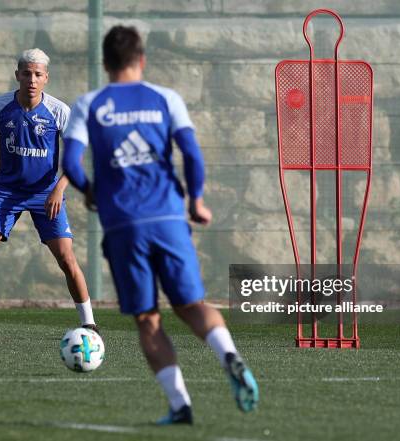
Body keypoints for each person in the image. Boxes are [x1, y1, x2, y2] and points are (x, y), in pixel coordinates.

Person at [61, 26, 258, 424]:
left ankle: (180, 405)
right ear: (142, 60)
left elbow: (70, 163)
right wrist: (197, 200)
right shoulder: (166, 99)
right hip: (169, 217)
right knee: (191, 305)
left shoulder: (90, 103)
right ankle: (229, 356)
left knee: (148, 318)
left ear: (105, 64)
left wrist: (89, 191)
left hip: (123, 225)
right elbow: (191, 153)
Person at [0, 48, 98, 340]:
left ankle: (89, 324)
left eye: (38, 74)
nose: (32, 79)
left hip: (46, 194)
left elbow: (76, 156)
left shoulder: (59, 111)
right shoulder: (0, 106)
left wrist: (60, 189)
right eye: (27, 73)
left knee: (66, 258)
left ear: (46, 78)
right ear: (17, 76)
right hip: (7, 192)